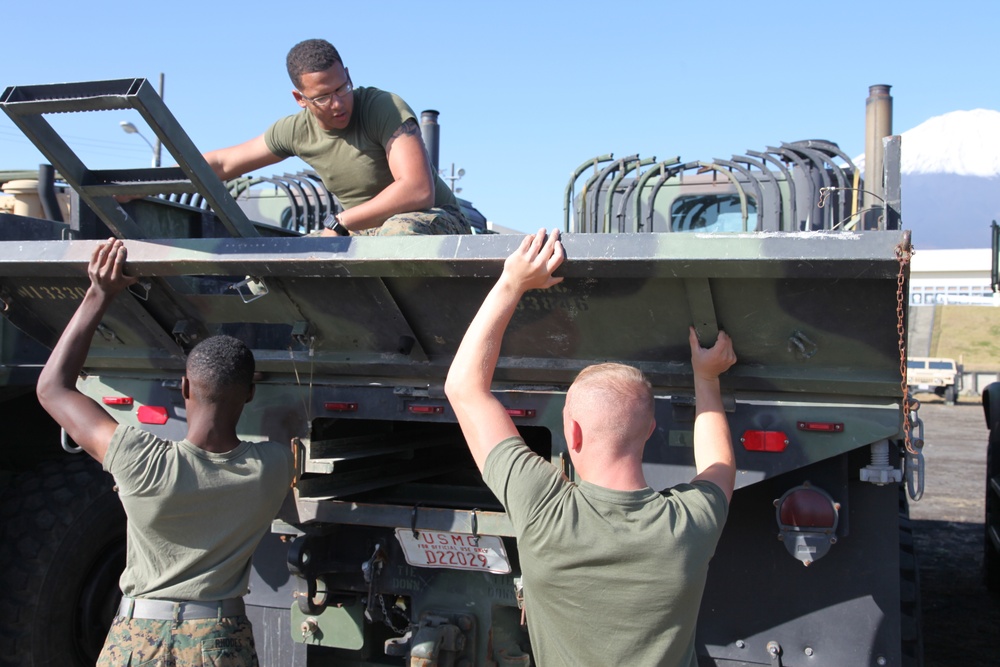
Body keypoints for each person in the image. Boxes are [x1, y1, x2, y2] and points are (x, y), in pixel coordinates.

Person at [444, 229, 738, 667]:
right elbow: (719, 466)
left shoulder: (544, 509)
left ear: (573, 435)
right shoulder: (688, 524)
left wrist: (513, 282)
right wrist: (707, 378)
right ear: (650, 430)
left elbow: (464, 388)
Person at [36, 238, 295, 666]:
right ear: (249, 394)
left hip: (137, 637)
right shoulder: (270, 467)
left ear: (185, 388)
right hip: (220, 639)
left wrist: (99, 293)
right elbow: (285, 427)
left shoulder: (140, 460)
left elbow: (52, 388)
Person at [202, 38, 470, 237]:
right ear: (300, 99)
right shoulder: (295, 131)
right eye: (322, 98)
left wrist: (340, 222)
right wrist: (172, 173)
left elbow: (418, 189)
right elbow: (223, 164)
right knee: (290, 258)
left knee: (398, 232)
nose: (338, 104)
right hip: (365, 232)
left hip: (438, 223)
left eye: (342, 88)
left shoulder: (383, 106)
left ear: (348, 74)